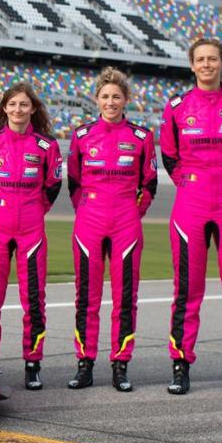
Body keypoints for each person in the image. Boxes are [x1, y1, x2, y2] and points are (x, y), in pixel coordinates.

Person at [160, 37, 222, 397]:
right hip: (191, 202)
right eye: (200, 59)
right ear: (192, 66)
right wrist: (193, 185)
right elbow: (169, 158)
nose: (206, 65)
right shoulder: (176, 106)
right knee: (187, 289)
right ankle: (180, 364)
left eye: (212, 59)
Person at [66, 67, 157, 392]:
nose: (110, 102)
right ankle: (85, 363)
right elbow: (73, 182)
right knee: (86, 297)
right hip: (89, 221)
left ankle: (121, 364)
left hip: (126, 222)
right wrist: (88, 209)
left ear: (126, 99)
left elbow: (149, 184)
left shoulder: (142, 137)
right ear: (97, 99)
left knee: (125, 298)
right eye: (105, 96)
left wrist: (133, 212)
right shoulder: (81, 135)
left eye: (116, 96)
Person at [0, 82, 62, 390]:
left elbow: (53, 185)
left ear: (32, 109)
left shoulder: (46, 145)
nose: (18, 110)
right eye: (13, 104)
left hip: (32, 230)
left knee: (34, 300)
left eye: (24, 105)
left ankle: (33, 362)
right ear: (5, 108)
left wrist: (33, 210)